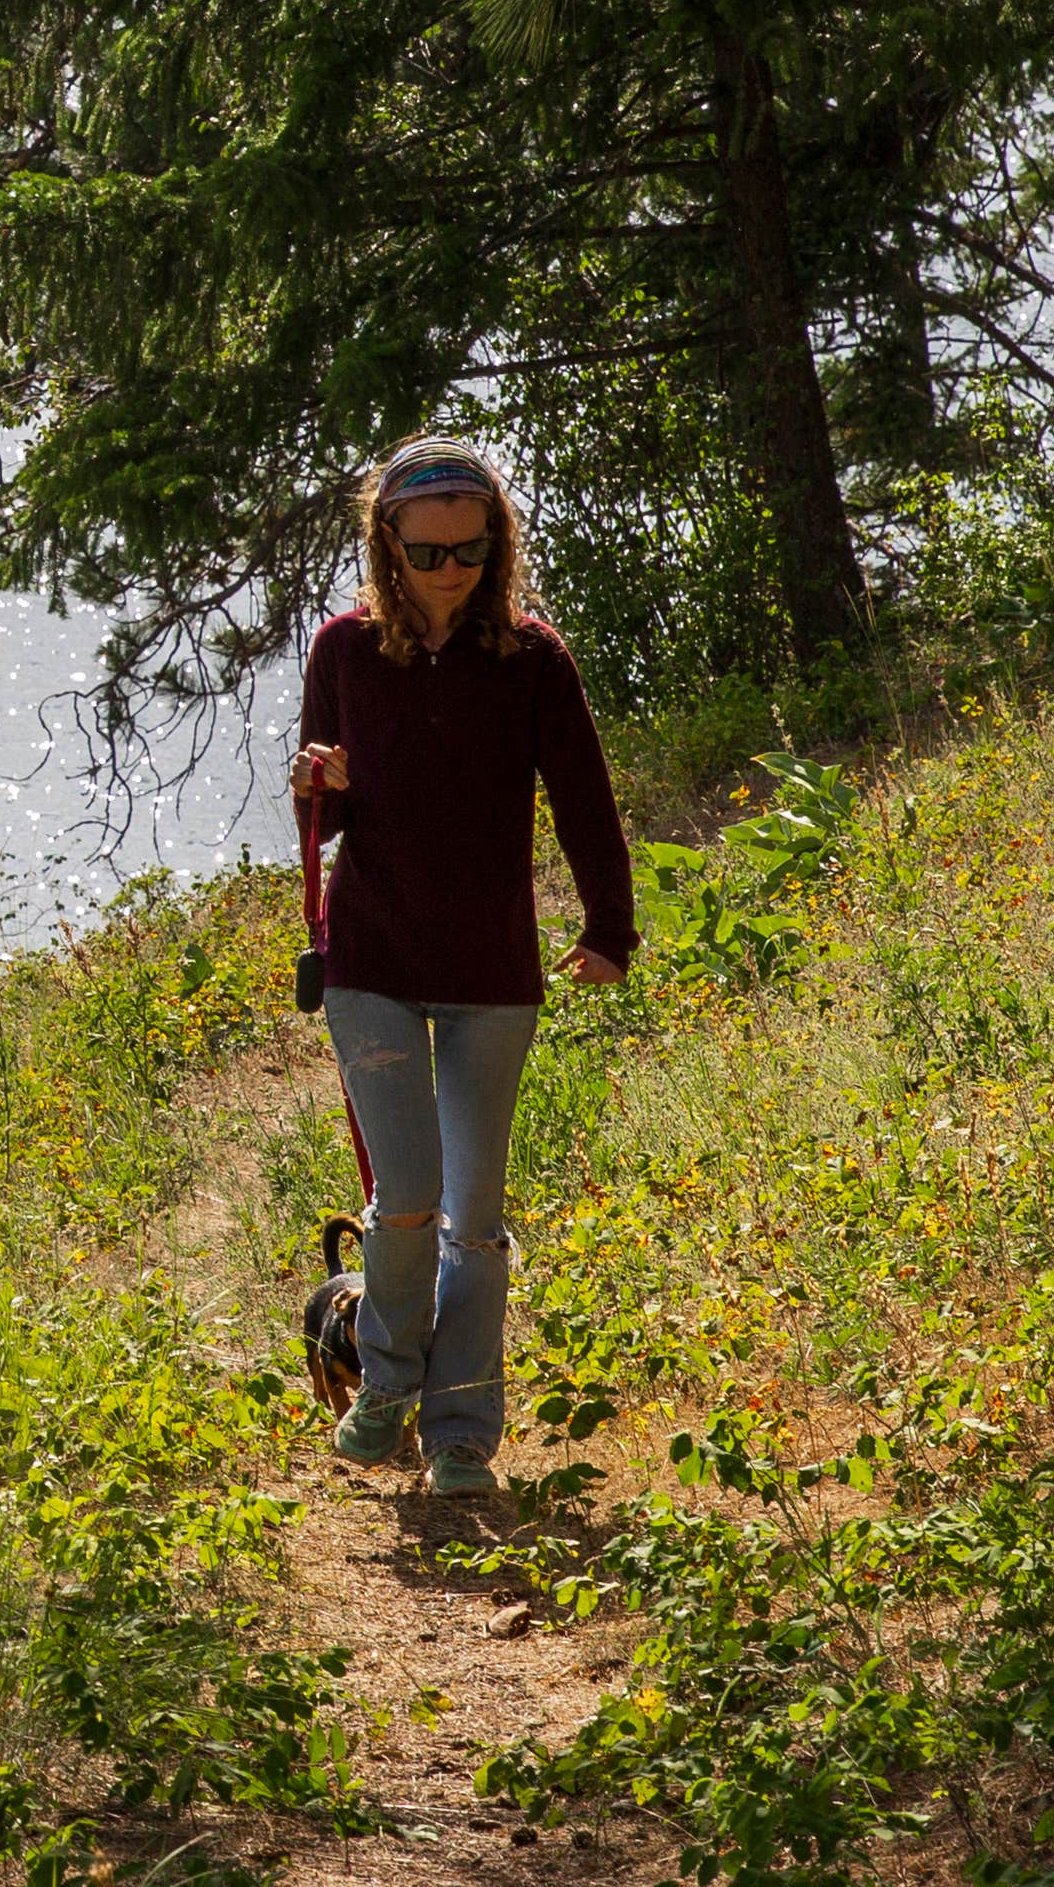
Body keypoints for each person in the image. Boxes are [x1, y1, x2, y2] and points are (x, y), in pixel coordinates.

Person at [291, 439, 636, 1496]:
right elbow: (327, 811)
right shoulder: (342, 651)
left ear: (497, 542)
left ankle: (460, 1437)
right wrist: (317, 782)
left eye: (471, 548)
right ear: (386, 544)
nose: (451, 569)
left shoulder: (531, 659)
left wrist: (608, 927)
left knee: (472, 1215)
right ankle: (384, 1391)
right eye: (430, 549)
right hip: (373, 955)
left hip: (491, 964)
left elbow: (583, 799)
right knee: (404, 1196)